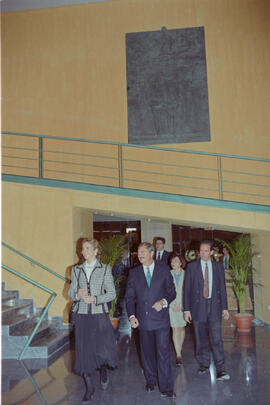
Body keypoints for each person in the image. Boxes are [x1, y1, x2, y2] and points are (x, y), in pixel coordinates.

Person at [68, 238, 118, 403]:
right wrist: (77, 295)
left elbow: (111, 293)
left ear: (96, 251)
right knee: (83, 351)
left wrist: (96, 299)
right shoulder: (76, 270)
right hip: (82, 315)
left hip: (99, 315)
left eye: (88, 248)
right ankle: (89, 387)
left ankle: (103, 369)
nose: (84, 252)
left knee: (101, 348)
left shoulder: (104, 269)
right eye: (83, 249)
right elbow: (70, 292)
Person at [125, 242, 176, 399]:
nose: (139, 255)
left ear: (152, 253)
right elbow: (128, 297)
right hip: (143, 320)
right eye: (138, 252)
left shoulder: (163, 270)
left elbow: (171, 292)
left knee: (163, 353)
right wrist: (132, 316)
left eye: (142, 252)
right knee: (146, 353)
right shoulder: (134, 273)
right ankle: (151, 380)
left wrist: (164, 302)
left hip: (161, 320)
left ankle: (166, 387)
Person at [183, 240, 230, 381]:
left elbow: (222, 288)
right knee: (200, 338)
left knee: (216, 339)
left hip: (214, 306)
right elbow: (187, 290)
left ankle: (221, 369)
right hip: (198, 307)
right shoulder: (191, 267)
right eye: (201, 250)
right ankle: (203, 364)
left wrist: (225, 308)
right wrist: (187, 310)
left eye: (205, 251)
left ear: (211, 252)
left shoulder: (218, 266)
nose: (202, 253)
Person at [169, 253, 186, 366]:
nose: (173, 263)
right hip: (171, 306)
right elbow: (164, 291)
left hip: (183, 307)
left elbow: (189, 292)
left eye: (176, 261)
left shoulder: (187, 275)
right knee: (175, 328)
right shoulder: (167, 274)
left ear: (181, 263)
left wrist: (183, 306)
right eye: (172, 261)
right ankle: (178, 354)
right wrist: (172, 305)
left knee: (182, 328)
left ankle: (179, 347)